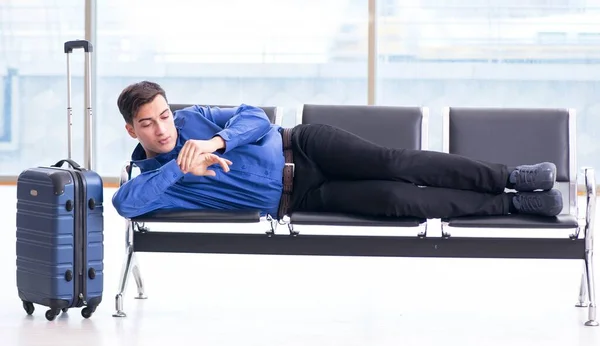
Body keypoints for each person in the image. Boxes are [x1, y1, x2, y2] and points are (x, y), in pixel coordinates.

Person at [112, 80, 563, 220]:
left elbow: (255, 117)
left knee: (398, 164)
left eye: (165, 115)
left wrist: (213, 141)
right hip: (300, 198)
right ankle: (510, 204)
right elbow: (124, 206)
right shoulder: (154, 182)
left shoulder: (194, 121)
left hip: (305, 145)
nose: (163, 129)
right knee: (398, 199)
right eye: (148, 124)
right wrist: (180, 169)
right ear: (133, 131)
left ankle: (510, 175)